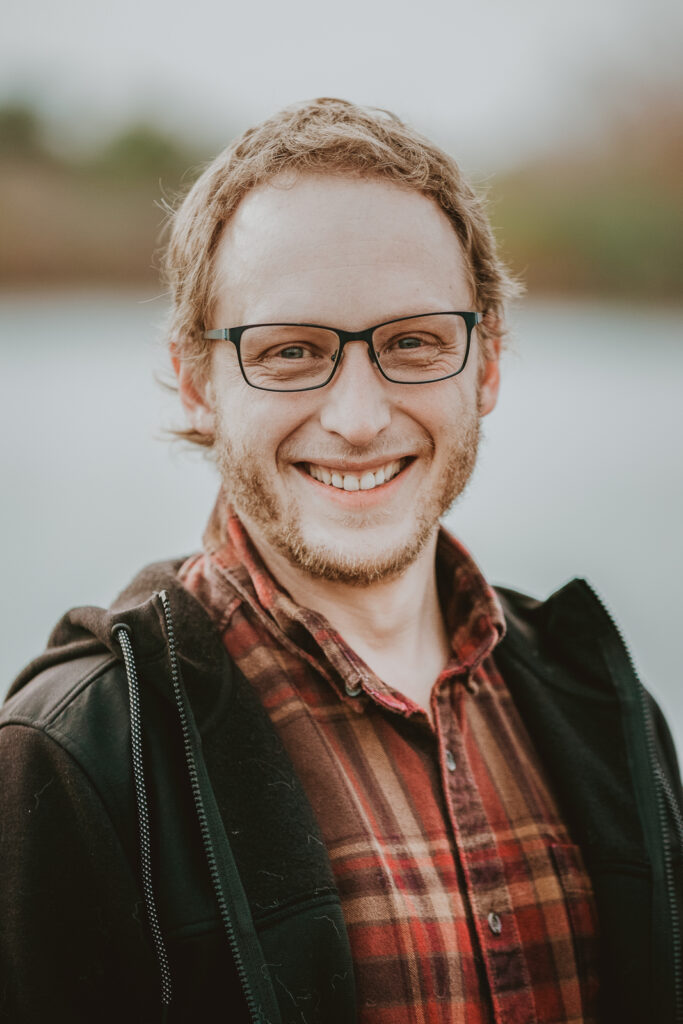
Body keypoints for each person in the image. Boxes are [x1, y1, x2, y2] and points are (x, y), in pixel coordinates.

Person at [0, 98, 680, 1024]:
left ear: (484, 365)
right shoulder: (75, 758)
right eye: (290, 352)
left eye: (412, 343)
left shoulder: (604, 711)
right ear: (199, 383)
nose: (358, 419)